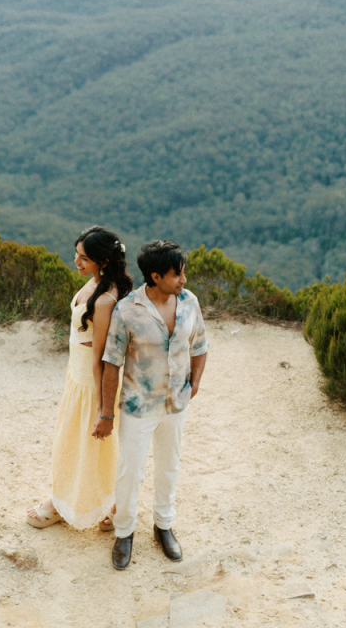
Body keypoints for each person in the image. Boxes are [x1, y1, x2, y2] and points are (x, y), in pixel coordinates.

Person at [94, 239, 208, 570]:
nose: (184, 280)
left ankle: (163, 526)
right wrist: (106, 413)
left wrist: (195, 384)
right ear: (155, 277)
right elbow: (111, 364)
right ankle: (124, 532)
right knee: (131, 471)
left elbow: (200, 346)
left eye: (183, 272)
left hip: (176, 404)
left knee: (169, 465)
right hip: (138, 406)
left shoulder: (189, 302)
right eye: (177, 274)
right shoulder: (127, 310)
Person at [27, 225, 133, 531]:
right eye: (76, 254)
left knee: (91, 447)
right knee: (72, 443)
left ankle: (97, 504)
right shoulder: (95, 283)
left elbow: (102, 359)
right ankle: (72, 501)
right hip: (77, 376)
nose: (76, 261)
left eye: (84, 257)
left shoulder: (105, 299)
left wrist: (103, 410)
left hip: (91, 383)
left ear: (103, 261)